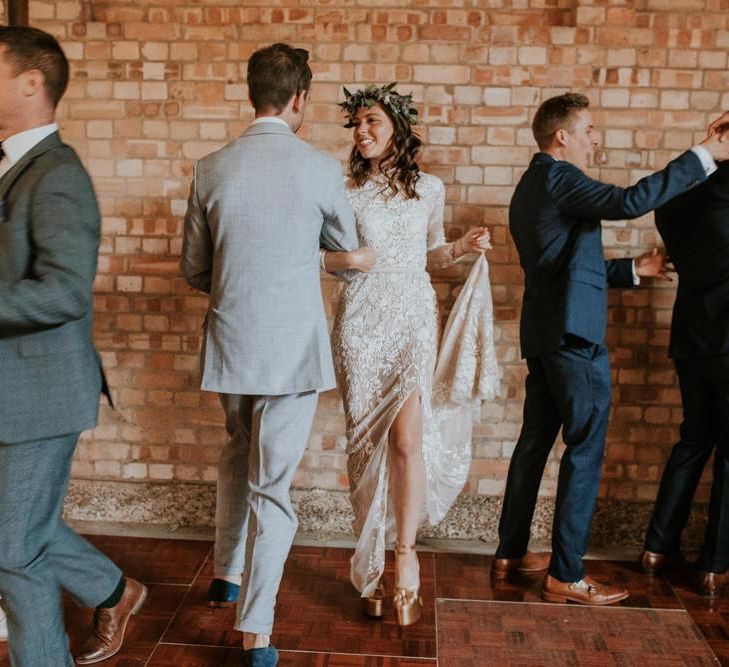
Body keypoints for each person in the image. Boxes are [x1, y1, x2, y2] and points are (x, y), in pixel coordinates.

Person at [494, 92, 729, 606]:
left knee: (534, 444)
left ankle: (509, 554)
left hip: (544, 337)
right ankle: (567, 575)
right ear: (563, 136)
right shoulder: (561, 177)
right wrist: (704, 153)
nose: (595, 139)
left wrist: (632, 271)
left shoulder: (531, 185)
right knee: (586, 450)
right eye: (590, 129)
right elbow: (628, 202)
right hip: (574, 341)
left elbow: (564, 268)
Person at [181, 43, 361, 666]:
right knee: (272, 486)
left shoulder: (211, 167)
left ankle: (227, 573)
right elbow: (345, 245)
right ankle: (256, 630)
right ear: (300, 99)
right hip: (289, 351)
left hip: (232, 344)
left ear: (253, 93)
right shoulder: (319, 169)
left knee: (237, 453)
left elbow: (194, 271)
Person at [321, 83, 494, 626]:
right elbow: (317, 258)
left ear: (396, 125)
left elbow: (432, 254)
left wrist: (461, 249)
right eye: (356, 124)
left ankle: (405, 554)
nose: (361, 132)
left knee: (406, 438)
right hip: (360, 319)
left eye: (371, 121)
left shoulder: (431, 190)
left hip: (413, 314)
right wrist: (348, 256)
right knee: (366, 443)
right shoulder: (343, 190)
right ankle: (368, 560)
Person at [0, 26, 146, 666]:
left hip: (38, 394)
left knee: (11, 551)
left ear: (30, 83)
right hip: (12, 386)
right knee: (15, 532)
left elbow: (64, 292)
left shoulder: (57, 175)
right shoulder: (13, 165)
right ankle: (114, 590)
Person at [642, 149, 729, 597]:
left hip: (692, 337)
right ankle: (714, 565)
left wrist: (704, 147)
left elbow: (661, 196)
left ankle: (657, 547)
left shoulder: (681, 198)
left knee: (695, 439)